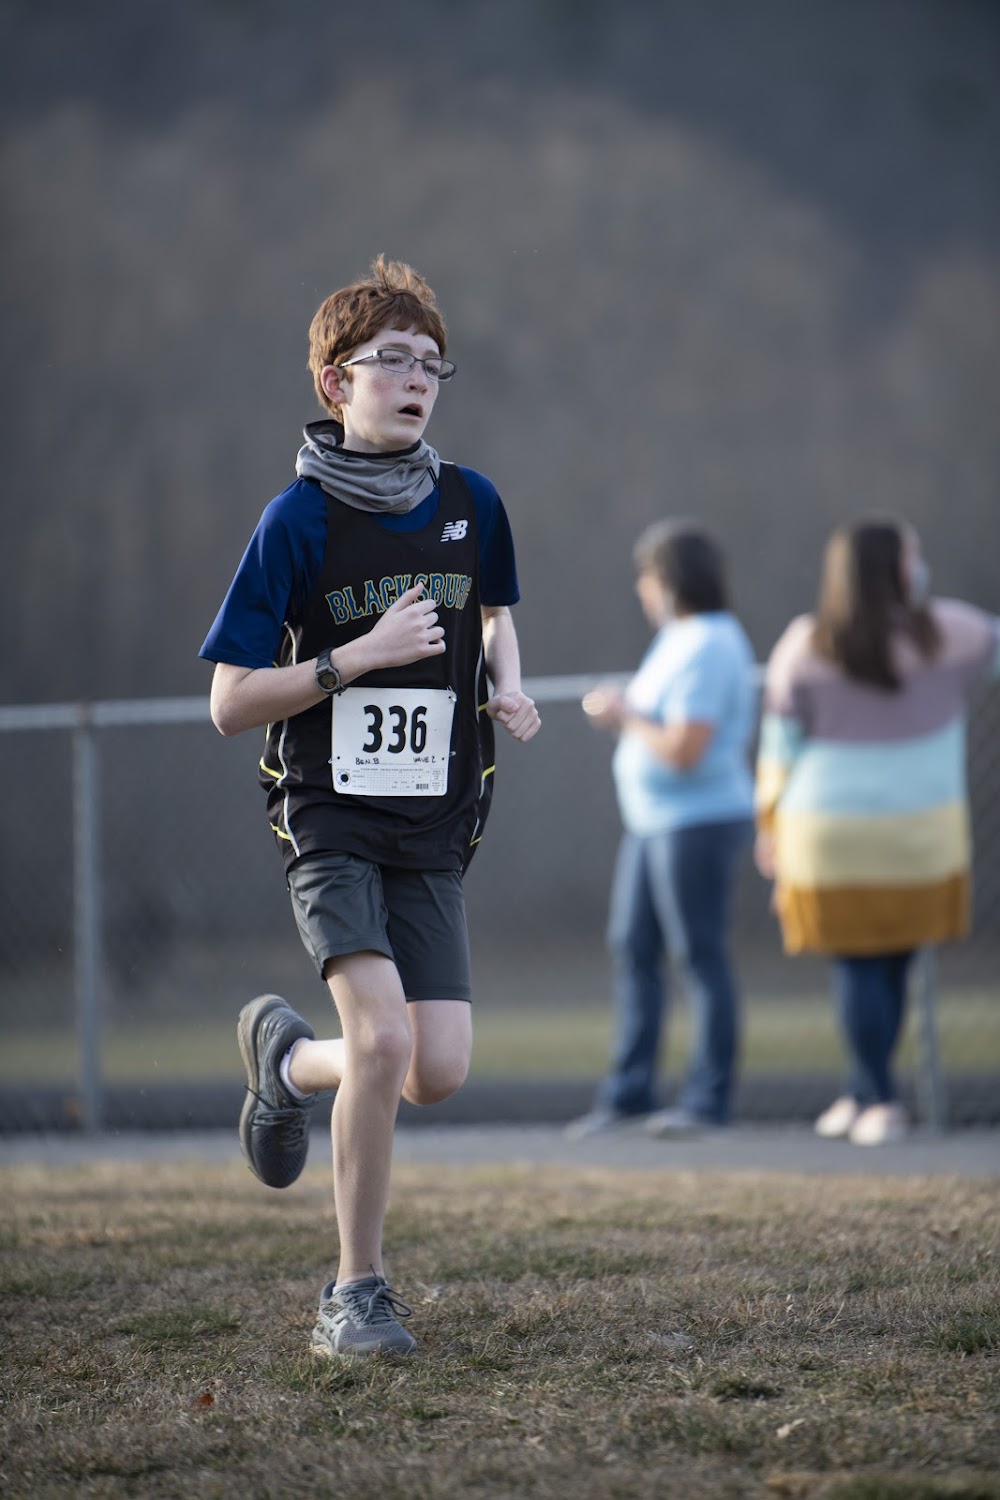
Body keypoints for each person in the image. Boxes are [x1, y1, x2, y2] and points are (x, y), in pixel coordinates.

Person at [200, 256, 540, 1357]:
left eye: (432, 363)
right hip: (329, 818)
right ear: (335, 382)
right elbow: (229, 703)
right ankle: (355, 1294)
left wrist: (509, 682)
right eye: (391, 360)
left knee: (432, 1068)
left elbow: (495, 613)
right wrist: (358, 657)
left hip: (433, 821)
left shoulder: (472, 502)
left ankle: (289, 1065)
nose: (417, 379)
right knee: (384, 1039)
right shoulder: (295, 521)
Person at [754, 517, 1000, 1145]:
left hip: (827, 833)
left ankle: (871, 1094)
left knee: (857, 964)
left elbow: (779, 750)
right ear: (895, 568)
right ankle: (873, 1095)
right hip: (921, 834)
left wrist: (769, 826)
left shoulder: (806, 642)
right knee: (893, 960)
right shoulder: (950, 631)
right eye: (913, 555)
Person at [566, 520, 756, 1141]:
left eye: (647, 577)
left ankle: (707, 1101)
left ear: (671, 579)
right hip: (653, 824)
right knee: (633, 947)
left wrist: (623, 714)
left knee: (699, 956)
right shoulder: (678, 639)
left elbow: (684, 749)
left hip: (698, 822)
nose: (641, 590)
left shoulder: (711, 642)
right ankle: (629, 1096)